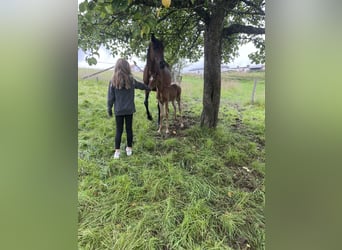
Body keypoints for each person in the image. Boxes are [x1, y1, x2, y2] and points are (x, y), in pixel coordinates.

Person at [107, 58, 150, 159]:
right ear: (127, 67)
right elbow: (140, 85)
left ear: (117, 67)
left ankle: (117, 152)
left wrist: (109, 108)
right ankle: (129, 149)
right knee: (129, 129)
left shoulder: (113, 80)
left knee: (119, 130)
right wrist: (149, 88)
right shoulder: (131, 80)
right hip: (129, 110)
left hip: (118, 110)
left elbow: (110, 97)